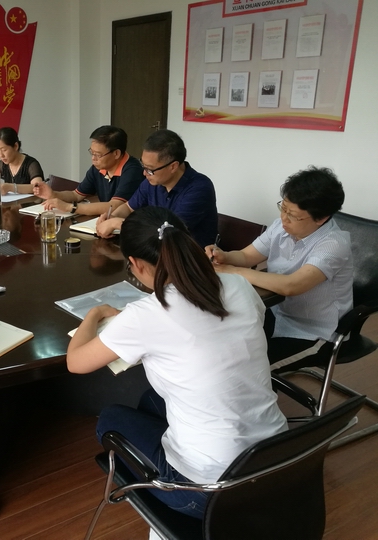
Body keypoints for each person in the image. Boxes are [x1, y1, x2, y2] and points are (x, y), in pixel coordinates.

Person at [67, 207, 287, 519]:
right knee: (150, 400)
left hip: (207, 491)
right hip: (279, 460)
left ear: (136, 264)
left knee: (110, 418)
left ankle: (166, 489)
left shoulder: (146, 314)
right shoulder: (238, 285)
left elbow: (75, 362)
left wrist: (94, 314)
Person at [206, 166, 353, 365]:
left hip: (315, 333)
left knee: (247, 365)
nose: (284, 218)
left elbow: (292, 285)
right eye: (283, 208)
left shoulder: (333, 244)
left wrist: (233, 271)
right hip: (276, 313)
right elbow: (247, 256)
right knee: (225, 344)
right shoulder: (281, 227)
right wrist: (224, 256)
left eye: (292, 215)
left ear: (321, 218)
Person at [95, 129, 217, 248]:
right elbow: (128, 208)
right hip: (156, 250)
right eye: (143, 165)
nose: (144, 173)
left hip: (187, 255)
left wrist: (117, 223)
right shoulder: (152, 181)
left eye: (150, 169)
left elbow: (167, 232)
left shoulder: (199, 188)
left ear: (173, 166)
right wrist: (112, 216)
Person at [32, 125, 142, 216]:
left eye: (98, 154)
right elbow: (76, 195)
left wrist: (69, 207)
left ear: (116, 153)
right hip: (107, 220)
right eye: (92, 152)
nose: (93, 158)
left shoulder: (132, 170)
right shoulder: (98, 168)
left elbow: (114, 206)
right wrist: (54, 194)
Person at [0, 126, 45, 194]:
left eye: (4, 150)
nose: (1, 155)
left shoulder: (31, 164)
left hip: (30, 203)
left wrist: (11, 187)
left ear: (15, 146)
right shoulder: (3, 164)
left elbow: (37, 187)